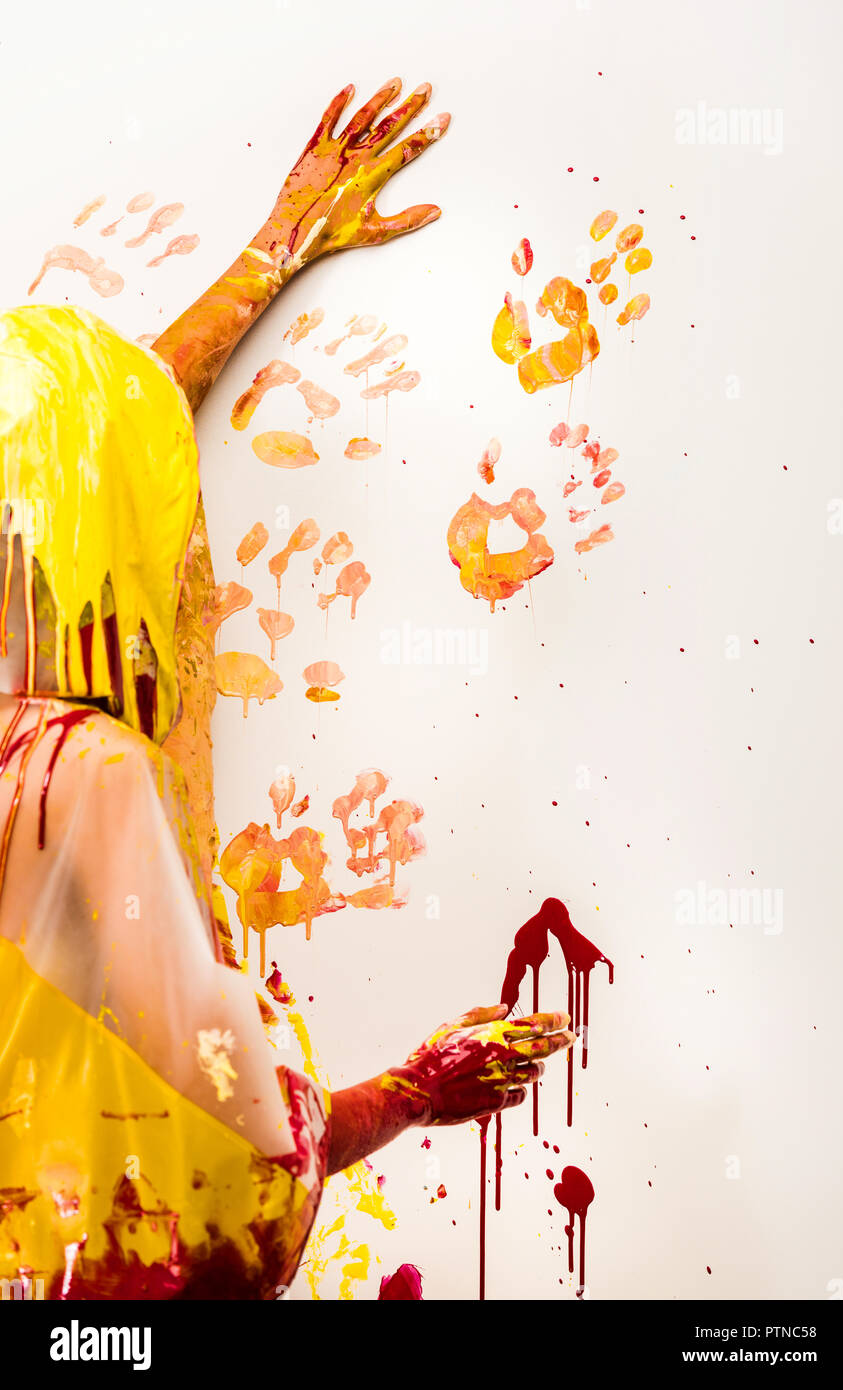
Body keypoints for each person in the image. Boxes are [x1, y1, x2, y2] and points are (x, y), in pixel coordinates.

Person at [0, 82, 573, 1301]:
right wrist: (421, 1089)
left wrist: (280, 240)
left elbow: (104, 432)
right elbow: (248, 1161)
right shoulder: (78, 770)